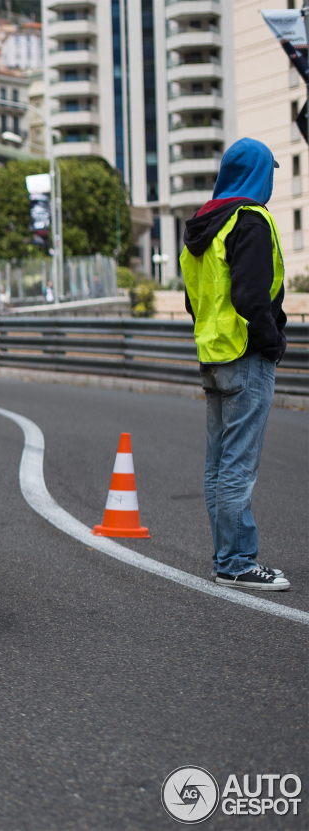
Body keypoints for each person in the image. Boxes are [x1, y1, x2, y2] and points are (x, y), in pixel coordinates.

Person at [179, 137, 289, 591]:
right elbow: (251, 295)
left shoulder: (203, 224)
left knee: (219, 465)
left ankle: (227, 557)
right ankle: (237, 562)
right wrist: (272, 343)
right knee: (238, 467)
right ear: (258, 174)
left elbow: (193, 299)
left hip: (212, 355)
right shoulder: (250, 221)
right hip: (245, 357)